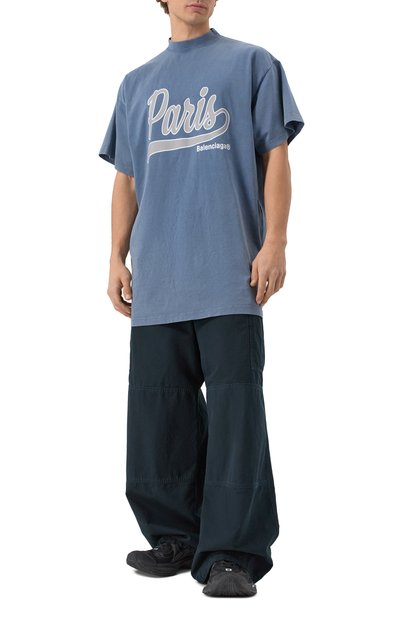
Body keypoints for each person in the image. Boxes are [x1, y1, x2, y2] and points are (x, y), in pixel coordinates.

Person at [98, 0, 304, 598]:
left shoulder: (253, 64)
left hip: (229, 275)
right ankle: (176, 537)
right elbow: (126, 179)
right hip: (159, 278)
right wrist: (114, 256)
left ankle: (232, 554)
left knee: (238, 417)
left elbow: (276, 155)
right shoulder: (136, 84)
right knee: (159, 416)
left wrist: (275, 241)